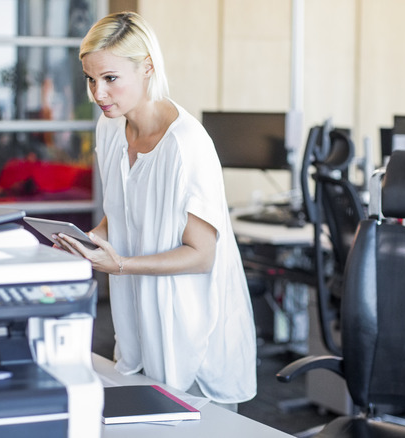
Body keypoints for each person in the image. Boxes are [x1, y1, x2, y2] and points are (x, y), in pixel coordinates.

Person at [53, 11, 257, 410]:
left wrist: (122, 264)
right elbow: (124, 210)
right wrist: (88, 241)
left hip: (193, 330)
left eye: (111, 78)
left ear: (146, 67)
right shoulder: (110, 127)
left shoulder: (186, 145)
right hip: (139, 322)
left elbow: (201, 255)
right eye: (91, 79)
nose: (99, 93)